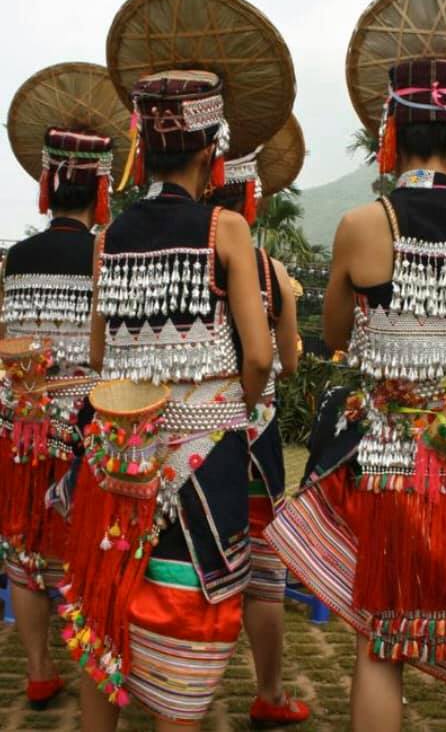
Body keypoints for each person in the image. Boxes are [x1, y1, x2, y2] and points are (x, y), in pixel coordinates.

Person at [265, 58, 446, 732]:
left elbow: (335, 334)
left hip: (398, 470)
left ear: (390, 131)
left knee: (382, 639)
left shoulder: (364, 224)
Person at [60, 70, 274, 732]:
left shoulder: (108, 238)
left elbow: (100, 353)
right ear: (211, 152)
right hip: (202, 464)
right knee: (187, 617)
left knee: (105, 602)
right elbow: (259, 356)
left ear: (143, 151)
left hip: (119, 456)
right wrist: (228, 407)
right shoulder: (225, 229)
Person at [0, 62, 121, 710]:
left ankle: (39, 668)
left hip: (20, 428)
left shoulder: (17, 258)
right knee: (78, 547)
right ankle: (87, 665)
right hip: (82, 429)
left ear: (49, 185)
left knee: (23, 550)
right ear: (101, 188)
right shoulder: (105, 258)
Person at [210, 155, 310, 726]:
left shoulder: (175, 254)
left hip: (181, 437)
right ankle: (270, 693)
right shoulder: (269, 270)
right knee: (263, 572)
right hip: (254, 437)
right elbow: (287, 362)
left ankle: (168, 687)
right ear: (251, 198)